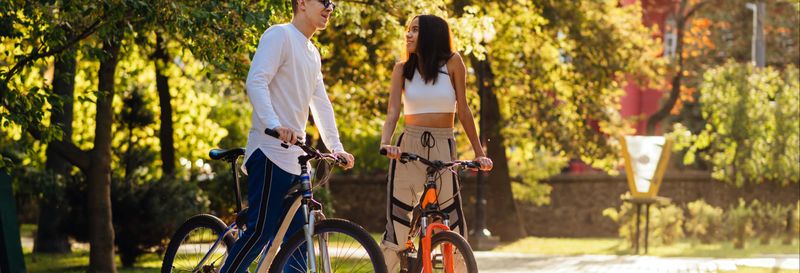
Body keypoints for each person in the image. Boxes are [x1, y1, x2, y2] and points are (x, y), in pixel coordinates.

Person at [219, 0, 355, 272]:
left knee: (298, 243)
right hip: (270, 151)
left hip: (296, 158)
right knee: (261, 233)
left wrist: (336, 147)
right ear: (302, 3)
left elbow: (321, 103)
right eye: (324, 1)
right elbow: (256, 81)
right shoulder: (279, 35)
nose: (330, 7)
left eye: (333, 3)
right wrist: (274, 124)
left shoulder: (312, 52)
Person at [379, 14, 494, 272]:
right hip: (408, 147)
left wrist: (479, 153)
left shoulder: (453, 63)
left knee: (453, 221)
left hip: (443, 145)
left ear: (431, 34)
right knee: (398, 222)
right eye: (408, 29)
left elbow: (463, 110)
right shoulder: (402, 69)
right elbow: (393, 112)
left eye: (415, 30)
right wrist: (386, 143)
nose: (408, 34)